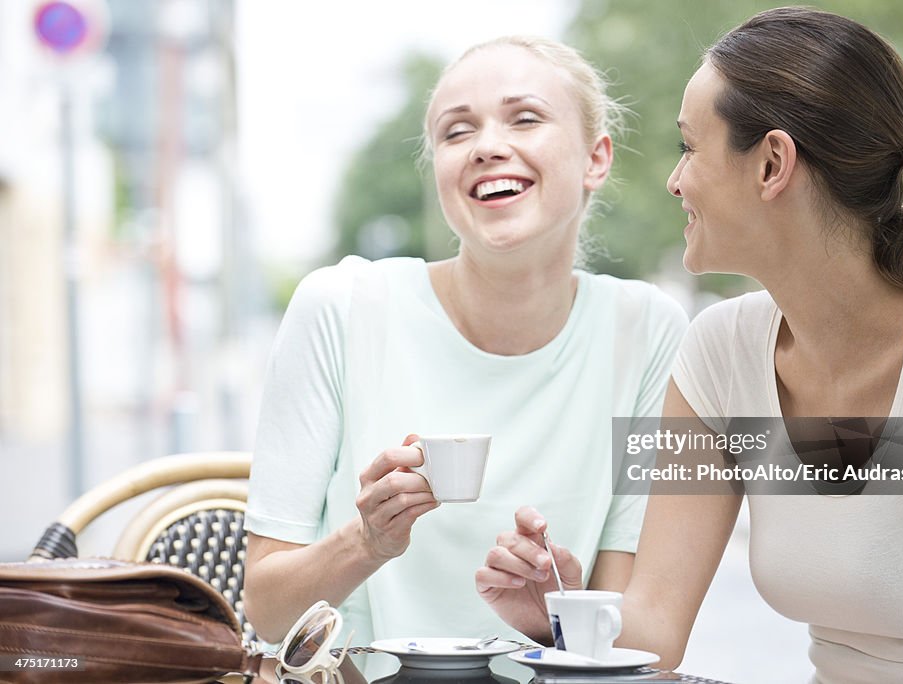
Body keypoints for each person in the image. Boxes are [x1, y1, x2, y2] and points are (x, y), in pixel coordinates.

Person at [477, 8, 903, 682]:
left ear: (771, 163)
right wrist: (555, 610)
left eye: (688, 147)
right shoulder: (716, 353)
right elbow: (655, 630)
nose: (674, 181)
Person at [241, 33, 689, 665]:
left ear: (595, 158)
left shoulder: (647, 331)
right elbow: (268, 611)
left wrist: (553, 618)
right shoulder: (340, 307)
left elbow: (635, 644)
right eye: (456, 132)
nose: (486, 147)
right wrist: (366, 542)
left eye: (525, 118)